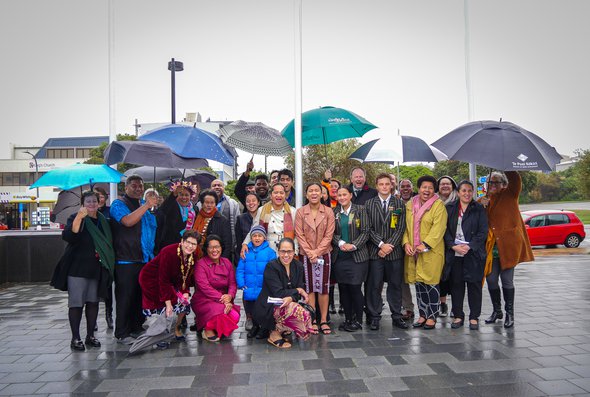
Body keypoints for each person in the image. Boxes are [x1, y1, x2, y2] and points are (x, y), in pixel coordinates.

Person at [60, 191, 114, 350]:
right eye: (88, 201)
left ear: (99, 203)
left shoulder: (103, 221)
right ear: (83, 204)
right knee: (76, 304)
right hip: (78, 268)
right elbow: (70, 235)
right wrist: (79, 217)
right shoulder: (76, 217)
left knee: (93, 302)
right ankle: (75, 338)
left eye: (94, 201)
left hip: (96, 267)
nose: (92, 204)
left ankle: (90, 335)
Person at [479, 171, 534, 328]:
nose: (492, 185)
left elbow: (515, 179)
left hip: (508, 248)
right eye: (489, 182)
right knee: (491, 281)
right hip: (491, 249)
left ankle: (510, 314)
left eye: (496, 182)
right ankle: (497, 311)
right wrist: (481, 206)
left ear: (504, 184)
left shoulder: (510, 193)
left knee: (507, 281)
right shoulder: (483, 200)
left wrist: (505, 165)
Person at [110, 175, 158, 344]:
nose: (138, 189)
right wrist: (146, 205)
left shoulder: (141, 206)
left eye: (141, 186)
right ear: (126, 187)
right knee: (125, 297)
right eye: (134, 186)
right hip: (125, 259)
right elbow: (128, 221)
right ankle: (122, 332)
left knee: (138, 296)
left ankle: (136, 327)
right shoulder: (118, 204)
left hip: (143, 258)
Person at [403, 175, 448, 330]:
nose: (426, 190)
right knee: (419, 284)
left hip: (431, 251)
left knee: (431, 284)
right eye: (424, 187)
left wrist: (425, 244)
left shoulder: (438, 205)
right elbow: (406, 228)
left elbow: (439, 228)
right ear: (419, 188)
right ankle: (422, 314)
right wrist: (406, 243)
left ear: (434, 189)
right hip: (413, 251)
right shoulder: (410, 203)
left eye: (430, 187)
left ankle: (432, 316)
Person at [139, 230, 201, 341]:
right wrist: (167, 303)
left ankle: (175, 328)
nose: (190, 246)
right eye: (188, 242)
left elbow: (186, 276)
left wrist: (185, 291)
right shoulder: (168, 252)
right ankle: (158, 336)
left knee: (184, 303)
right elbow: (163, 279)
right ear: (182, 241)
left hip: (172, 282)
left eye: (194, 244)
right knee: (163, 307)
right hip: (152, 280)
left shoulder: (193, 255)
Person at [365, 173, 408, 330]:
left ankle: (396, 315)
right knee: (374, 285)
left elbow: (401, 228)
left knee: (395, 285)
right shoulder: (369, 204)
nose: (384, 186)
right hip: (375, 252)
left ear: (391, 186)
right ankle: (375, 316)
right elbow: (367, 228)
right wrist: (381, 245)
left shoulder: (399, 204)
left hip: (394, 253)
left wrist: (389, 246)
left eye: (387, 184)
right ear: (376, 186)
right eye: (381, 184)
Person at [253, 238, 313, 348]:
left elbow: (300, 289)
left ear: (294, 251)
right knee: (295, 309)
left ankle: (283, 329)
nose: (286, 255)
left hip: (285, 304)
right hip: (267, 307)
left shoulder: (298, 266)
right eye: (283, 251)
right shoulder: (271, 267)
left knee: (304, 313)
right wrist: (297, 291)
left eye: (289, 251)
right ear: (278, 251)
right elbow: (278, 292)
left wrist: (292, 296)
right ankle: (274, 333)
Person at [444, 181, 488, 330]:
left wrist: (469, 247)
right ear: (458, 192)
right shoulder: (449, 208)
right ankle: (458, 315)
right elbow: (444, 231)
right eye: (464, 190)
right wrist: (453, 245)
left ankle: (474, 317)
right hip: (454, 253)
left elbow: (483, 232)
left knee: (474, 285)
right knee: (456, 285)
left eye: (470, 190)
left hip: (473, 253)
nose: (467, 193)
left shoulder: (479, 208)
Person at [295, 182, 336, 334]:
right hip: (306, 255)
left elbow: (329, 235)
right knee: (310, 287)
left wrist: (317, 252)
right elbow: (299, 234)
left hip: (324, 254)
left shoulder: (328, 212)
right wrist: (309, 252)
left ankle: (323, 319)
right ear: (306, 195)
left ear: (321, 194)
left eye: (316, 191)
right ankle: (312, 319)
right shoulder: (300, 212)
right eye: (310, 191)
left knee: (323, 288)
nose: (313, 193)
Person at [332, 186, 370, 332]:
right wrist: (341, 243)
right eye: (339, 195)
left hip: (357, 257)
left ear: (350, 195)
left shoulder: (360, 210)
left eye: (344, 194)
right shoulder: (334, 212)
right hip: (340, 257)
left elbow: (366, 231)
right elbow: (331, 233)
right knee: (343, 289)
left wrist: (354, 245)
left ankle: (359, 320)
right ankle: (348, 319)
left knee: (355, 287)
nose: (342, 197)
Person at [191, 234, 240, 341]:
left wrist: (230, 296)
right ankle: (207, 328)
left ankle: (217, 328)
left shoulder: (226, 262)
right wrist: (223, 299)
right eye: (211, 247)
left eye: (217, 246)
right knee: (221, 312)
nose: (214, 250)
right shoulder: (201, 264)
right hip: (204, 299)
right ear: (206, 249)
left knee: (235, 316)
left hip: (224, 299)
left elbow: (232, 283)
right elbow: (204, 287)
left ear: (221, 248)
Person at [236, 225, 277, 338]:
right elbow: (240, 269)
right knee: (251, 308)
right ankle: (255, 326)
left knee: (263, 308)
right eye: (254, 236)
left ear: (264, 238)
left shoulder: (270, 252)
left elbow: (274, 270)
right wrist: (241, 283)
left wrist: (270, 285)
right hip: (249, 287)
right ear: (251, 238)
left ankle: (264, 328)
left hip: (263, 287)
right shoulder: (246, 251)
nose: (257, 238)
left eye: (260, 236)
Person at [242, 183, 297, 256]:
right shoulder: (262, 210)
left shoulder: (292, 211)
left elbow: (297, 234)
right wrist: (245, 243)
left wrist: (295, 250)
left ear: (285, 195)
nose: (279, 195)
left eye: (281, 193)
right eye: (275, 193)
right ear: (271, 195)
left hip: (287, 250)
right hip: (267, 250)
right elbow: (254, 230)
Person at [436, 175, 458, 317]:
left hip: (455, 245)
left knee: (455, 277)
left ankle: (456, 306)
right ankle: (442, 304)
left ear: (453, 186)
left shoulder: (459, 200)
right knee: (441, 277)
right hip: (438, 244)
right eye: (442, 184)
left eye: (448, 184)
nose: (445, 186)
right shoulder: (434, 202)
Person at [156, 181, 199, 254]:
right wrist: (173, 194)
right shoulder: (171, 205)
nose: (184, 197)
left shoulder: (194, 209)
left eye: (186, 195)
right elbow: (163, 210)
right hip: (169, 244)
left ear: (191, 196)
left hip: (187, 246)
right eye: (181, 194)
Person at [93, 186, 113, 329]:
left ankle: (109, 314)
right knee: (92, 289)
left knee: (108, 288)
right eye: (94, 197)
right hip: (92, 258)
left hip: (107, 256)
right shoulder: (86, 215)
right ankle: (92, 320)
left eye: (100, 196)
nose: (98, 199)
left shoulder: (110, 212)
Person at [192, 189, 232, 260]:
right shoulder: (195, 216)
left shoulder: (222, 220)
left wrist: (222, 262)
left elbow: (227, 245)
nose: (209, 205)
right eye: (206, 202)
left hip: (215, 259)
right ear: (202, 203)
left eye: (212, 203)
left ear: (215, 204)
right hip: (195, 256)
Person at [210, 179, 240, 262]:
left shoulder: (233, 203)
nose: (217, 187)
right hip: (208, 245)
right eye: (214, 185)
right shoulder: (202, 203)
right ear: (210, 188)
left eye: (219, 185)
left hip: (227, 245)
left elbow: (237, 224)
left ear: (224, 188)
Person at [398, 179, 416, 321]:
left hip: (417, 244)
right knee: (401, 279)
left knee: (421, 277)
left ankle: (426, 308)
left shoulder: (418, 201)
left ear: (412, 188)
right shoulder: (395, 202)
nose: (405, 189)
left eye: (407, 186)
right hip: (399, 245)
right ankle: (407, 307)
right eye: (402, 187)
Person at [234, 192, 261, 264]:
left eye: (253, 200)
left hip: (261, 256)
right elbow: (239, 242)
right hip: (246, 256)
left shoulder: (263, 217)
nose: (251, 203)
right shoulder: (240, 218)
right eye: (248, 201)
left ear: (258, 202)